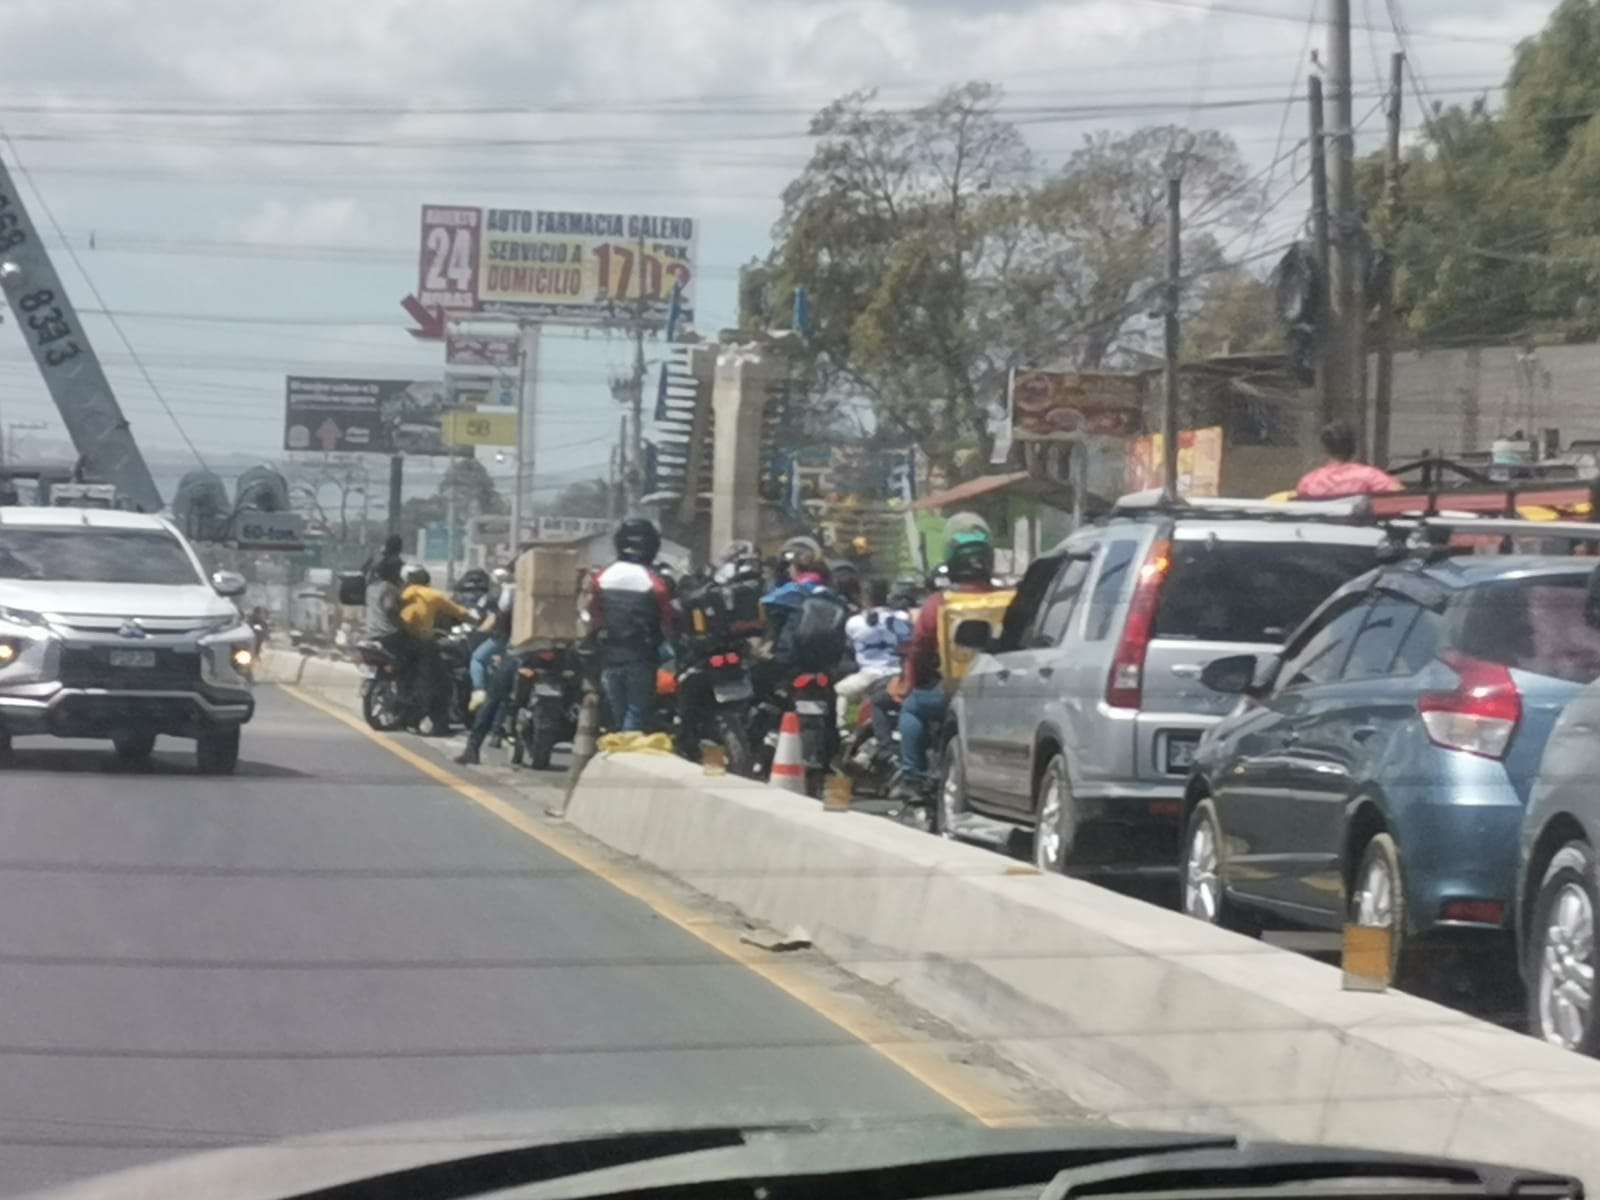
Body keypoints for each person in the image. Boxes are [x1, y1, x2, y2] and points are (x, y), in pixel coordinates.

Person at [893, 518, 998, 796]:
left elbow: (918, 649)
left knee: (912, 709)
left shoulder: (938, 603)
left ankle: (912, 777)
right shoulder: (1010, 599)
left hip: (952, 690)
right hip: (999, 692)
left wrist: (910, 685)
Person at [587, 517, 675, 732]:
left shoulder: (602, 577)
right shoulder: (655, 582)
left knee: (618, 712)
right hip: (640, 657)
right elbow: (668, 618)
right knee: (636, 712)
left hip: (609, 656)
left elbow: (593, 613)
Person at [399, 564, 473, 734]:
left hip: (401, 642)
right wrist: (478, 620)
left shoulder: (402, 593)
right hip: (421, 642)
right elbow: (459, 612)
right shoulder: (432, 595)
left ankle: (408, 716)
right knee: (441, 683)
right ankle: (439, 724)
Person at [835, 579, 912, 734]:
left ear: (864, 598)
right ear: (888, 596)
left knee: (840, 691)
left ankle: (844, 731)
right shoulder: (902, 617)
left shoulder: (854, 622)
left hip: (869, 675)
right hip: (898, 674)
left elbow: (850, 644)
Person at [1296, 420, 1403, 499]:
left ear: (1324, 450)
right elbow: (1400, 498)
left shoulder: (1308, 482)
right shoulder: (1370, 476)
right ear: (1354, 448)